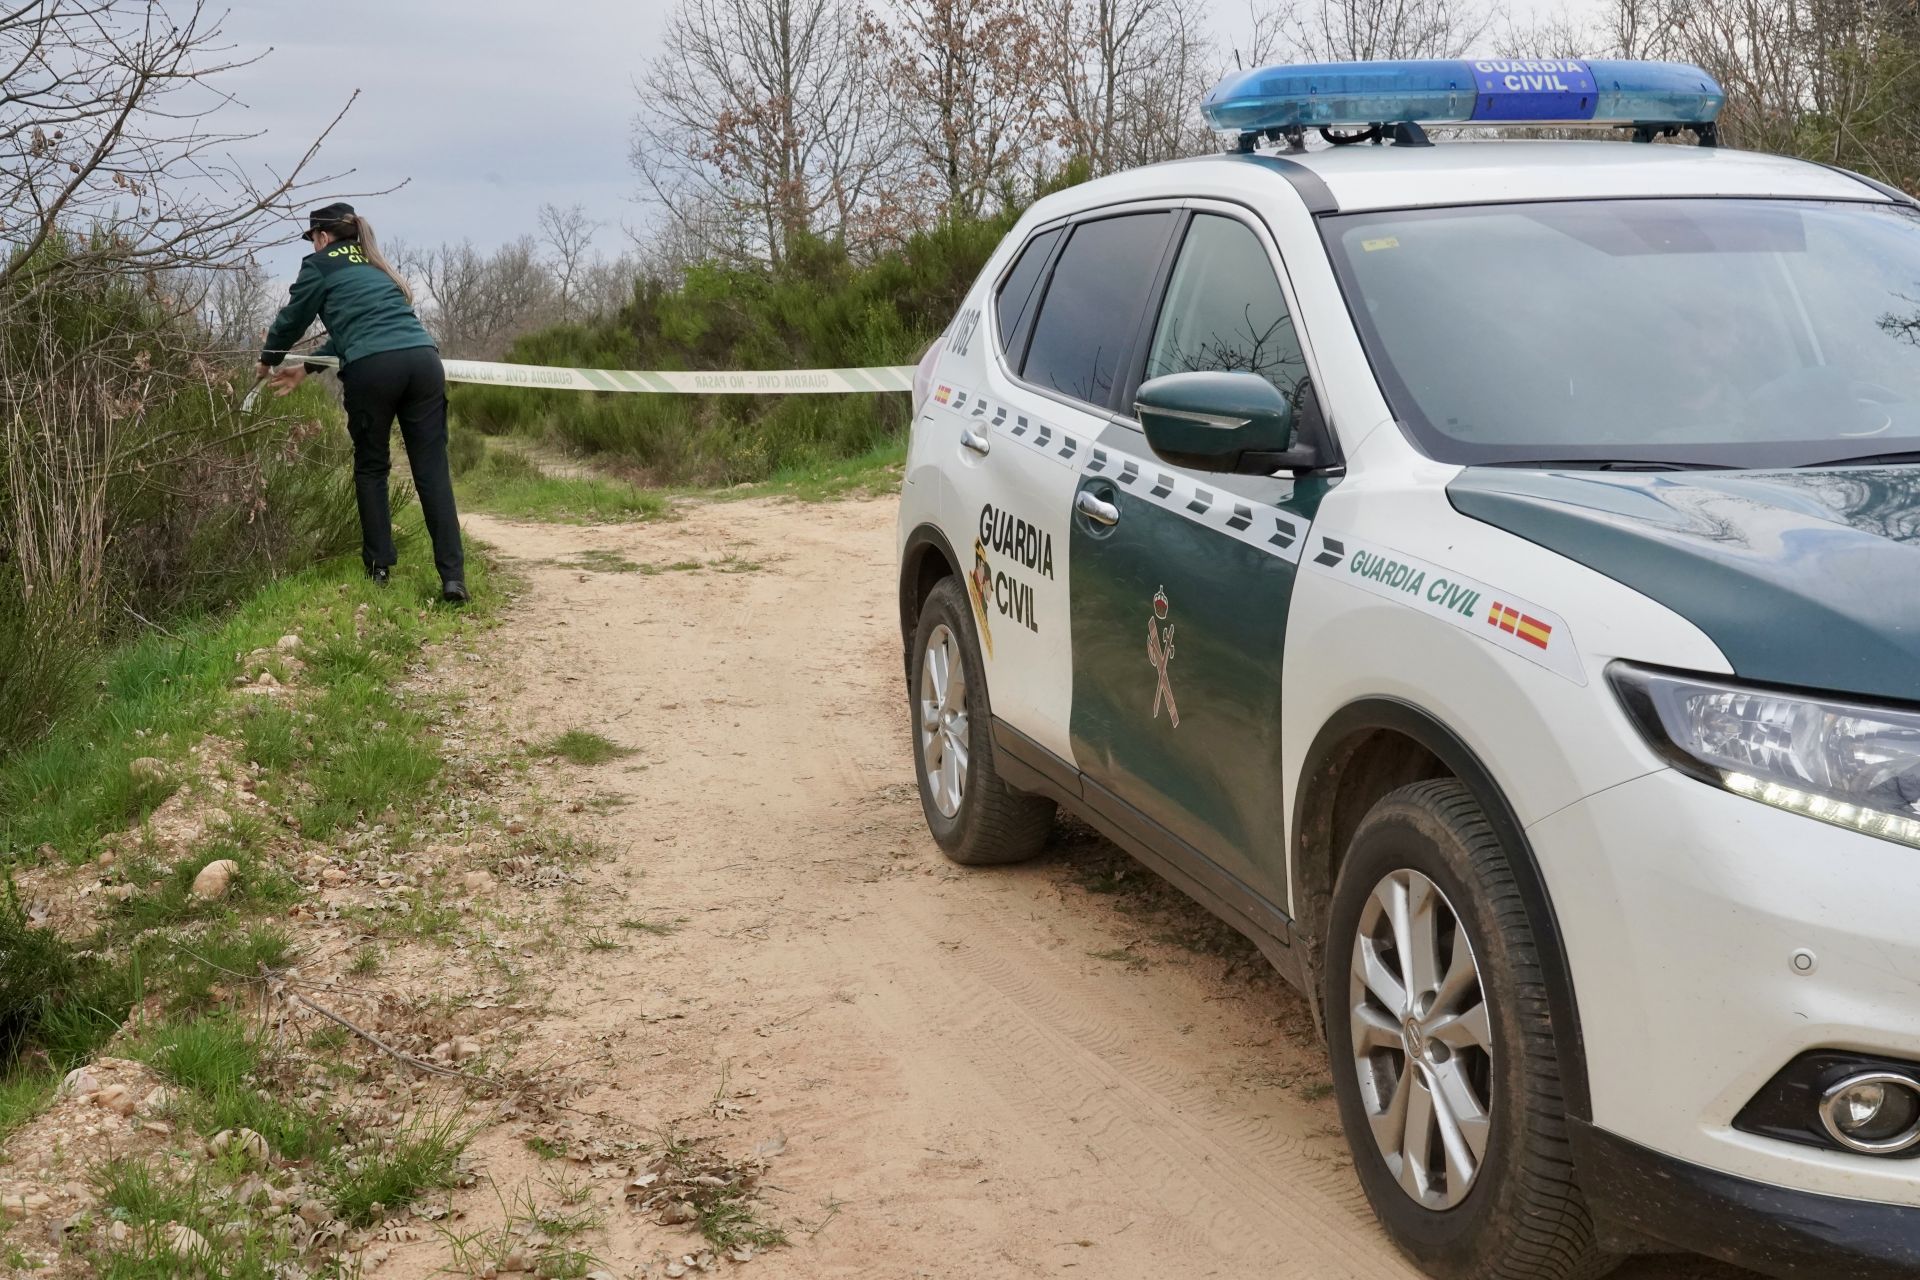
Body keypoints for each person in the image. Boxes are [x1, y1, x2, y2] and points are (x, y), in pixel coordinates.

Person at [257, 202, 467, 603]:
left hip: (374, 370)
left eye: (314, 239)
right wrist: (307, 368)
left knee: (372, 467)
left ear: (322, 237)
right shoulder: (373, 265)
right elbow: (358, 329)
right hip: (423, 360)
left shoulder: (319, 265)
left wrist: (267, 360)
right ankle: (453, 577)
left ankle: (379, 568)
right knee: (432, 470)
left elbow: (292, 319)